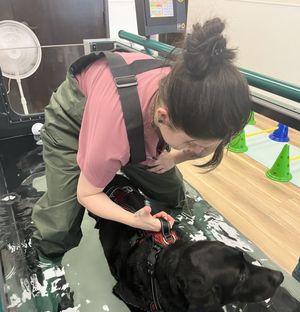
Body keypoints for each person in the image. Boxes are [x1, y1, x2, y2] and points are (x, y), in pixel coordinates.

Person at [31, 18, 251, 263]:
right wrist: (134, 219)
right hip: (74, 118)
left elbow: (200, 145)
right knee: (59, 226)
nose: (198, 151)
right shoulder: (114, 124)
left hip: (137, 123)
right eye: (191, 144)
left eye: (209, 145)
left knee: (173, 193)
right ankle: (42, 263)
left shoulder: (192, 95)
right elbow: (87, 194)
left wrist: (176, 156)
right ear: (163, 118)